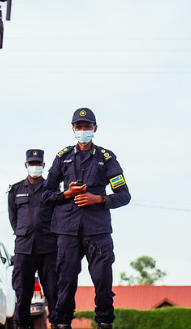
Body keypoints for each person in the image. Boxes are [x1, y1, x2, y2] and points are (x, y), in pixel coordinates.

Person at [43, 108, 131, 329]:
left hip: (98, 230)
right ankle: (61, 323)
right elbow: (46, 194)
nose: (83, 130)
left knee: (102, 281)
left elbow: (124, 195)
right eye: (79, 127)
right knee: (65, 281)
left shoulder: (106, 158)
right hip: (67, 230)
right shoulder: (62, 157)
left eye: (87, 126)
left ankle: (104, 322)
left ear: (95, 128)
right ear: (73, 129)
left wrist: (98, 199)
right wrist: (67, 194)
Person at [8, 149, 59, 329]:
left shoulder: (52, 190)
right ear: (26, 165)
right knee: (22, 291)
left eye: (38, 164)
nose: (35, 167)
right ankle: (22, 325)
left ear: (43, 166)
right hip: (24, 248)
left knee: (53, 291)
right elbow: (13, 219)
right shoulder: (15, 190)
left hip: (49, 248)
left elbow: (58, 216)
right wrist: (24, 233)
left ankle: (57, 323)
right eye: (32, 164)